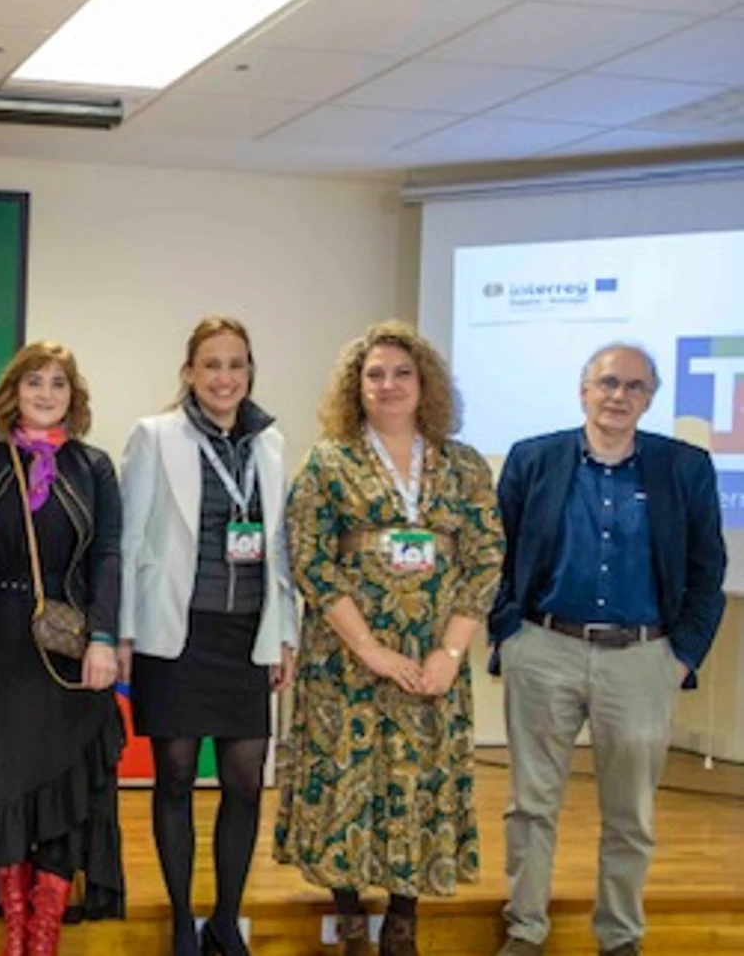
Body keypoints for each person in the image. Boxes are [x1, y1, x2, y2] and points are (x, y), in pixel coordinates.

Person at [274, 320, 504, 956]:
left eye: (402, 372)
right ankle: (351, 923)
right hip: (348, 654)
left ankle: (404, 922)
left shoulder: (462, 464)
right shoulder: (329, 459)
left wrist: (450, 653)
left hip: (434, 653)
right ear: (356, 386)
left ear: (424, 382)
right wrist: (370, 648)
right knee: (348, 775)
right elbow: (311, 559)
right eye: (374, 373)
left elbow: (486, 558)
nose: (388, 384)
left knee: (418, 775)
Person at [491, 344, 728, 956]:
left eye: (634, 387)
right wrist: (509, 634)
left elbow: (708, 571)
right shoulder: (533, 459)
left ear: (649, 398)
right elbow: (495, 555)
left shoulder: (685, 468)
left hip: (643, 658)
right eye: (607, 383)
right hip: (543, 647)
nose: (618, 396)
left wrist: (681, 657)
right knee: (531, 806)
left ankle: (620, 937)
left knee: (631, 816)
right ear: (583, 390)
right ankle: (525, 930)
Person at [119, 317, 299, 956]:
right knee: (173, 779)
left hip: (247, 633)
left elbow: (279, 544)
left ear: (250, 371)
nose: (225, 377)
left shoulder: (270, 442)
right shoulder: (156, 436)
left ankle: (226, 919)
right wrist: (123, 631)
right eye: (212, 364)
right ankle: (179, 920)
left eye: (237, 364)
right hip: (178, 632)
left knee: (245, 781)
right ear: (190, 372)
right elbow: (131, 537)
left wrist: (285, 635)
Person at [0, 340, 125, 956]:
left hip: (72, 643)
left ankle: (44, 936)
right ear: (14, 391)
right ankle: (14, 932)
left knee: (64, 787)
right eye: (35, 381)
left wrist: (105, 637)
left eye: (59, 384)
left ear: (73, 396)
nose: (46, 394)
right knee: (5, 785)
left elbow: (109, 555)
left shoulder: (95, 466)